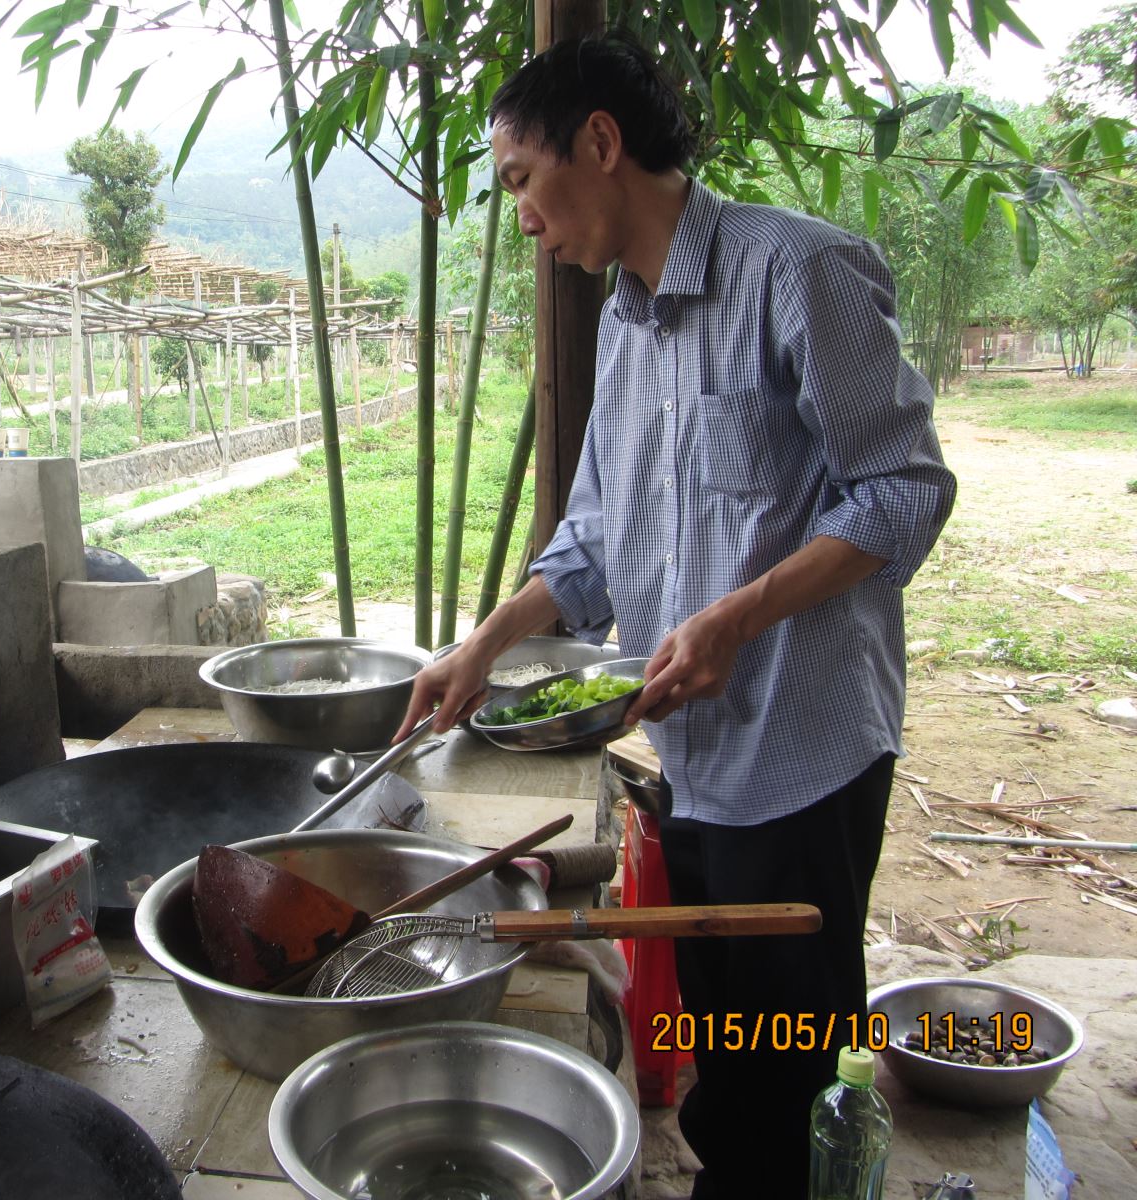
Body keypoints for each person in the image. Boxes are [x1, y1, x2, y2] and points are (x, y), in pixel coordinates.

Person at [396, 30, 957, 1199]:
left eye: (520, 179)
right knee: (727, 1049)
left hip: (799, 754)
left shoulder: (795, 270)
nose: (522, 218)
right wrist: (478, 647)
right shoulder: (624, 320)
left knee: (792, 1062)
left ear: (599, 143)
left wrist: (737, 618)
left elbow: (902, 490)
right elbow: (595, 540)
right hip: (692, 756)